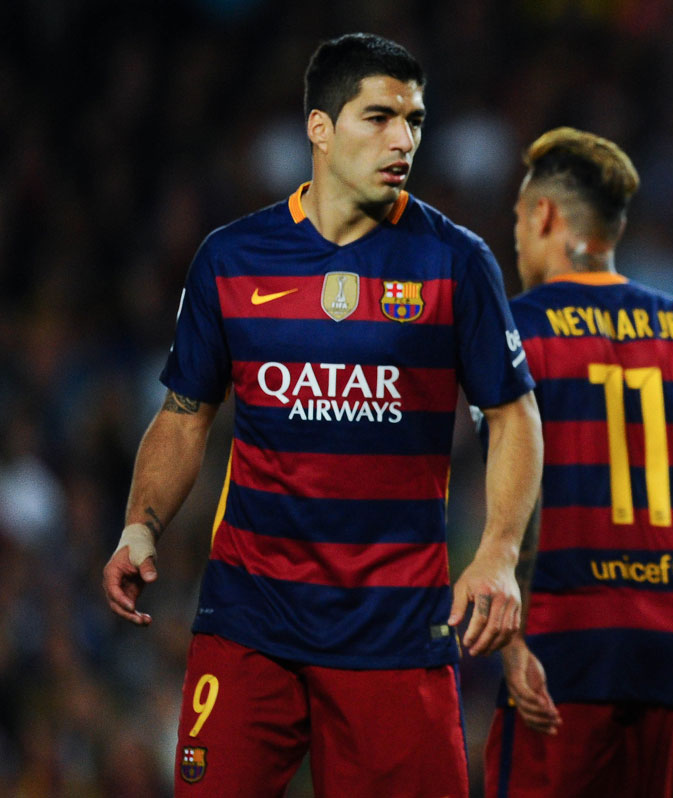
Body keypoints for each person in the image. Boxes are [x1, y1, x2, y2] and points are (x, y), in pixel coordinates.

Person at [101, 33, 543, 798]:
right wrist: (141, 525)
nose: (403, 140)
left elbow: (511, 414)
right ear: (320, 128)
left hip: (395, 633)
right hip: (251, 623)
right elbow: (183, 415)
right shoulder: (232, 260)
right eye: (380, 117)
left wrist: (500, 551)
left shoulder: (455, 262)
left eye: (414, 121)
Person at [483, 127, 673, 798]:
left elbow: (508, 495)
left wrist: (509, 641)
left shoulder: (518, 331)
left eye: (518, 221)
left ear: (543, 215)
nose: (517, 239)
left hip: (563, 638)